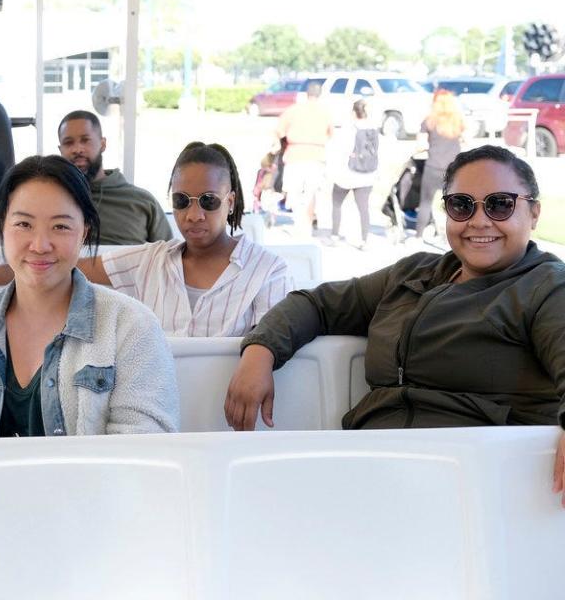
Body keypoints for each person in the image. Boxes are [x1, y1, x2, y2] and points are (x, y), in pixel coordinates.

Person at [222, 145, 565, 504]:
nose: (479, 221)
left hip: (473, 487)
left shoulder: (545, 287)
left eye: (500, 204)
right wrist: (260, 352)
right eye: (462, 205)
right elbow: (316, 304)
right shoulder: (414, 274)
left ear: (534, 212)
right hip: (371, 467)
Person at [0, 154, 179, 438]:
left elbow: (141, 455)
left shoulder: (130, 326)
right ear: (1, 227)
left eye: (61, 226)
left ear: (84, 233)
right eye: (24, 225)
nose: (40, 245)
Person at [0, 142, 293, 337]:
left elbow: (273, 349)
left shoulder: (269, 272)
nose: (193, 215)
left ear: (230, 202)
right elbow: (50, 264)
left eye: (208, 202)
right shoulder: (151, 261)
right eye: (181, 202)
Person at [0, 110, 171, 246]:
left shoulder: (142, 202)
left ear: (103, 144)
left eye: (85, 140)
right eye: (69, 143)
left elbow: (170, 260)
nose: (78, 149)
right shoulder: (49, 193)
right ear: (60, 149)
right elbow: (14, 197)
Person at [275, 82, 333, 235]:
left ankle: (298, 222)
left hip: (295, 154)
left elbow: (279, 131)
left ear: (306, 94)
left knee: (294, 192)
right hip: (317, 156)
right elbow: (330, 134)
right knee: (311, 192)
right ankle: (307, 223)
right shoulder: (325, 112)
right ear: (320, 95)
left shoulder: (293, 110)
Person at [326, 99, 380, 248]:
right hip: (368, 175)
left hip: (347, 175)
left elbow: (340, 152)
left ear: (353, 112)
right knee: (363, 208)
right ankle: (364, 240)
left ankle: (335, 236)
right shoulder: (374, 129)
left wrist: (333, 172)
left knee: (337, 203)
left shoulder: (349, 129)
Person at [414, 90, 464, 239]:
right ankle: (451, 238)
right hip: (453, 169)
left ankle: (418, 237)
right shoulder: (458, 121)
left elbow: (420, 145)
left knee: (425, 202)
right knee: (452, 206)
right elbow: (467, 140)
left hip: (433, 166)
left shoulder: (429, 121)